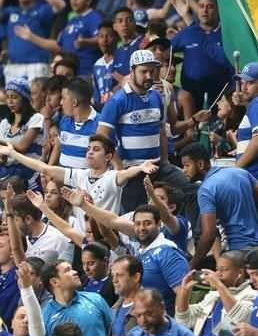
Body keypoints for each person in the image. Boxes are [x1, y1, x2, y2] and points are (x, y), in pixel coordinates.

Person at [98, 49, 190, 211]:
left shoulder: (156, 97)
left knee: (190, 191)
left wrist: (165, 160)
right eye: (143, 71)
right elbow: (101, 136)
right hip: (133, 171)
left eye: (152, 71)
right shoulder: (118, 100)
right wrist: (119, 167)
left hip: (158, 167)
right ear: (132, 71)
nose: (149, 76)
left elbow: (161, 129)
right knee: (138, 216)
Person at [78, 197, 188, 315]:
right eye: (138, 224)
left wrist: (177, 326)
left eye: (147, 223)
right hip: (140, 322)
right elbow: (112, 221)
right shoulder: (139, 253)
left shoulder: (167, 252)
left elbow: (184, 293)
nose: (142, 228)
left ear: (159, 224)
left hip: (162, 324)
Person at [0, 133, 158, 215]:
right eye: (88, 149)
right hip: (80, 238)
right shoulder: (79, 175)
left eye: (96, 150)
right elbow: (45, 168)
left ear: (108, 157)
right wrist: (13, 153)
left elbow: (127, 172)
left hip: (105, 237)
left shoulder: (112, 177)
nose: (89, 152)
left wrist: (140, 167)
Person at [180, 144, 258, 270]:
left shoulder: (206, 190)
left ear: (201, 164)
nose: (183, 170)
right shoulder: (241, 172)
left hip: (240, 254)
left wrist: (192, 264)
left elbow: (209, 235)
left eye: (187, 165)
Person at [40, 260, 112, 336]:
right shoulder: (45, 315)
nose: (75, 272)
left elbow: (114, 332)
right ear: (54, 282)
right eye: (68, 270)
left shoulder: (95, 300)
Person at [17, 0, 102, 76]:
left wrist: (86, 41)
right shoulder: (72, 20)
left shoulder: (94, 17)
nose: (74, 0)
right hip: (70, 73)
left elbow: (103, 38)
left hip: (86, 72)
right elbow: (58, 46)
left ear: (88, 0)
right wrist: (31, 37)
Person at [171, 0, 233, 114]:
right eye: (201, 6)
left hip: (220, 100)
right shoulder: (187, 33)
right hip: (191, 100)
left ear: (218, 9)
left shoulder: (227, 35)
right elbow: (165, 52)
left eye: (210, 6)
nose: (205, 10)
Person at [0, 0, 65, 82]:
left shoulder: (41, 10)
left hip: (37, 65)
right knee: (11, 98)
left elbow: (61, 5)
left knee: (38, 98)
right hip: (13, 66)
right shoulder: (11, 11)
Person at [0, 261, 48, 336]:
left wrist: (26, 289)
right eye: (21, 316)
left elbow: (35, 318)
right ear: (11, 322)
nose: (26, 321)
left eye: (29, 318)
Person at [9, 193, 71, 263]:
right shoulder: (19, 240)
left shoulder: (57, 238)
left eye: (16, 220)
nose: (14, 225)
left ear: (28, 219)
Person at [57, 76, 100, 168]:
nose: (61, 103)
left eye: (63, 98)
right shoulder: (64, 120)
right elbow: (58, 146)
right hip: (61, 178)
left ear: (74, 102)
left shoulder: (101, 125)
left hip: (86, 180)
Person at [112, 6, 144, 77]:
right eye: (120, 21)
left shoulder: (144, 43)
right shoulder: (117, 51)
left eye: (129, 20)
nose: (124, 24)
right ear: (114, 26)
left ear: (135, 23)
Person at [93, 20, 119, 109]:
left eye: (109, 36)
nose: (104, 40)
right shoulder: (97, 64)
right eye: (101, 36)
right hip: (102, 112)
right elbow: (96, 94)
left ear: (117, 38)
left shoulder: (122, 60)